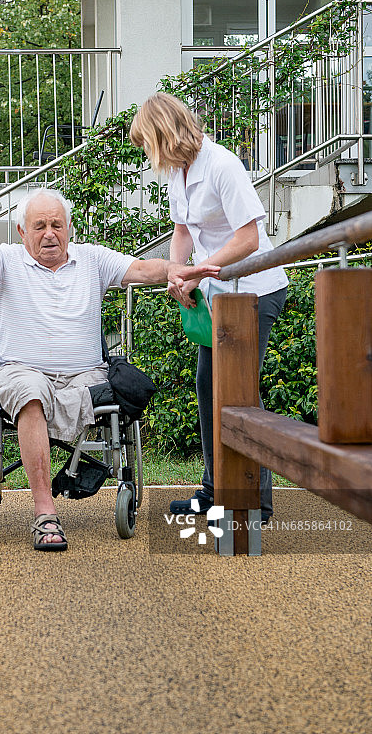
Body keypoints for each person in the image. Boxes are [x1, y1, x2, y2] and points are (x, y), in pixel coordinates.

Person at [0, 187, 219, 551]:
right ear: (21, 232)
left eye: (57, 224)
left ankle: (76, 479)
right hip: (21, 370)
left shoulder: (92, 259)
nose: (50, 233)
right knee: (31, 393)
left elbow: (141, 269)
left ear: (70, 227)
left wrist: (176, 269)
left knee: (95, 390)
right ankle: (45, 511)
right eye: (40, 226)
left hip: (85, 376)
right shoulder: (6, 259)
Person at [129, 93, 288, 523]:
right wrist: (177, 273)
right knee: (208, 387)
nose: (146, 152)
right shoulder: (179, 174)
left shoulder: (221, 165)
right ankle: (215, 489)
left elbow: (249, 239)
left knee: (236, 393)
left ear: (164, 134)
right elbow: (183, 230)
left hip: (255, 291)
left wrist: (198, 271)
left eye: (147, 143)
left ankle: (253, 501)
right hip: (219, 294)